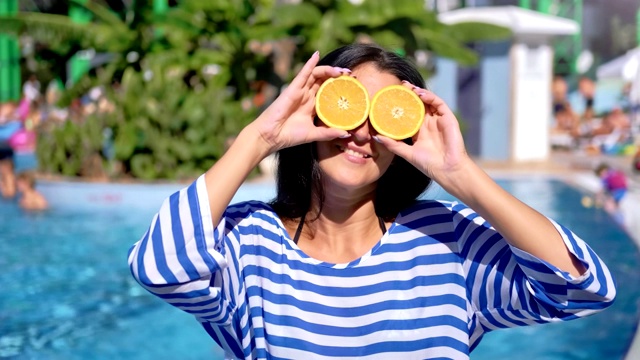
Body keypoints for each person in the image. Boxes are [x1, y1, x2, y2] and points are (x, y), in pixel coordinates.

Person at [128, 44, 616, 359]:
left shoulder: (448, 244)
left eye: (384, 116)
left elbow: (582, 287)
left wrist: (460, 176)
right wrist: (260, 136)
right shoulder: (251, 244)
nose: (361, 132)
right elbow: (160, 265)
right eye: (348, 104)